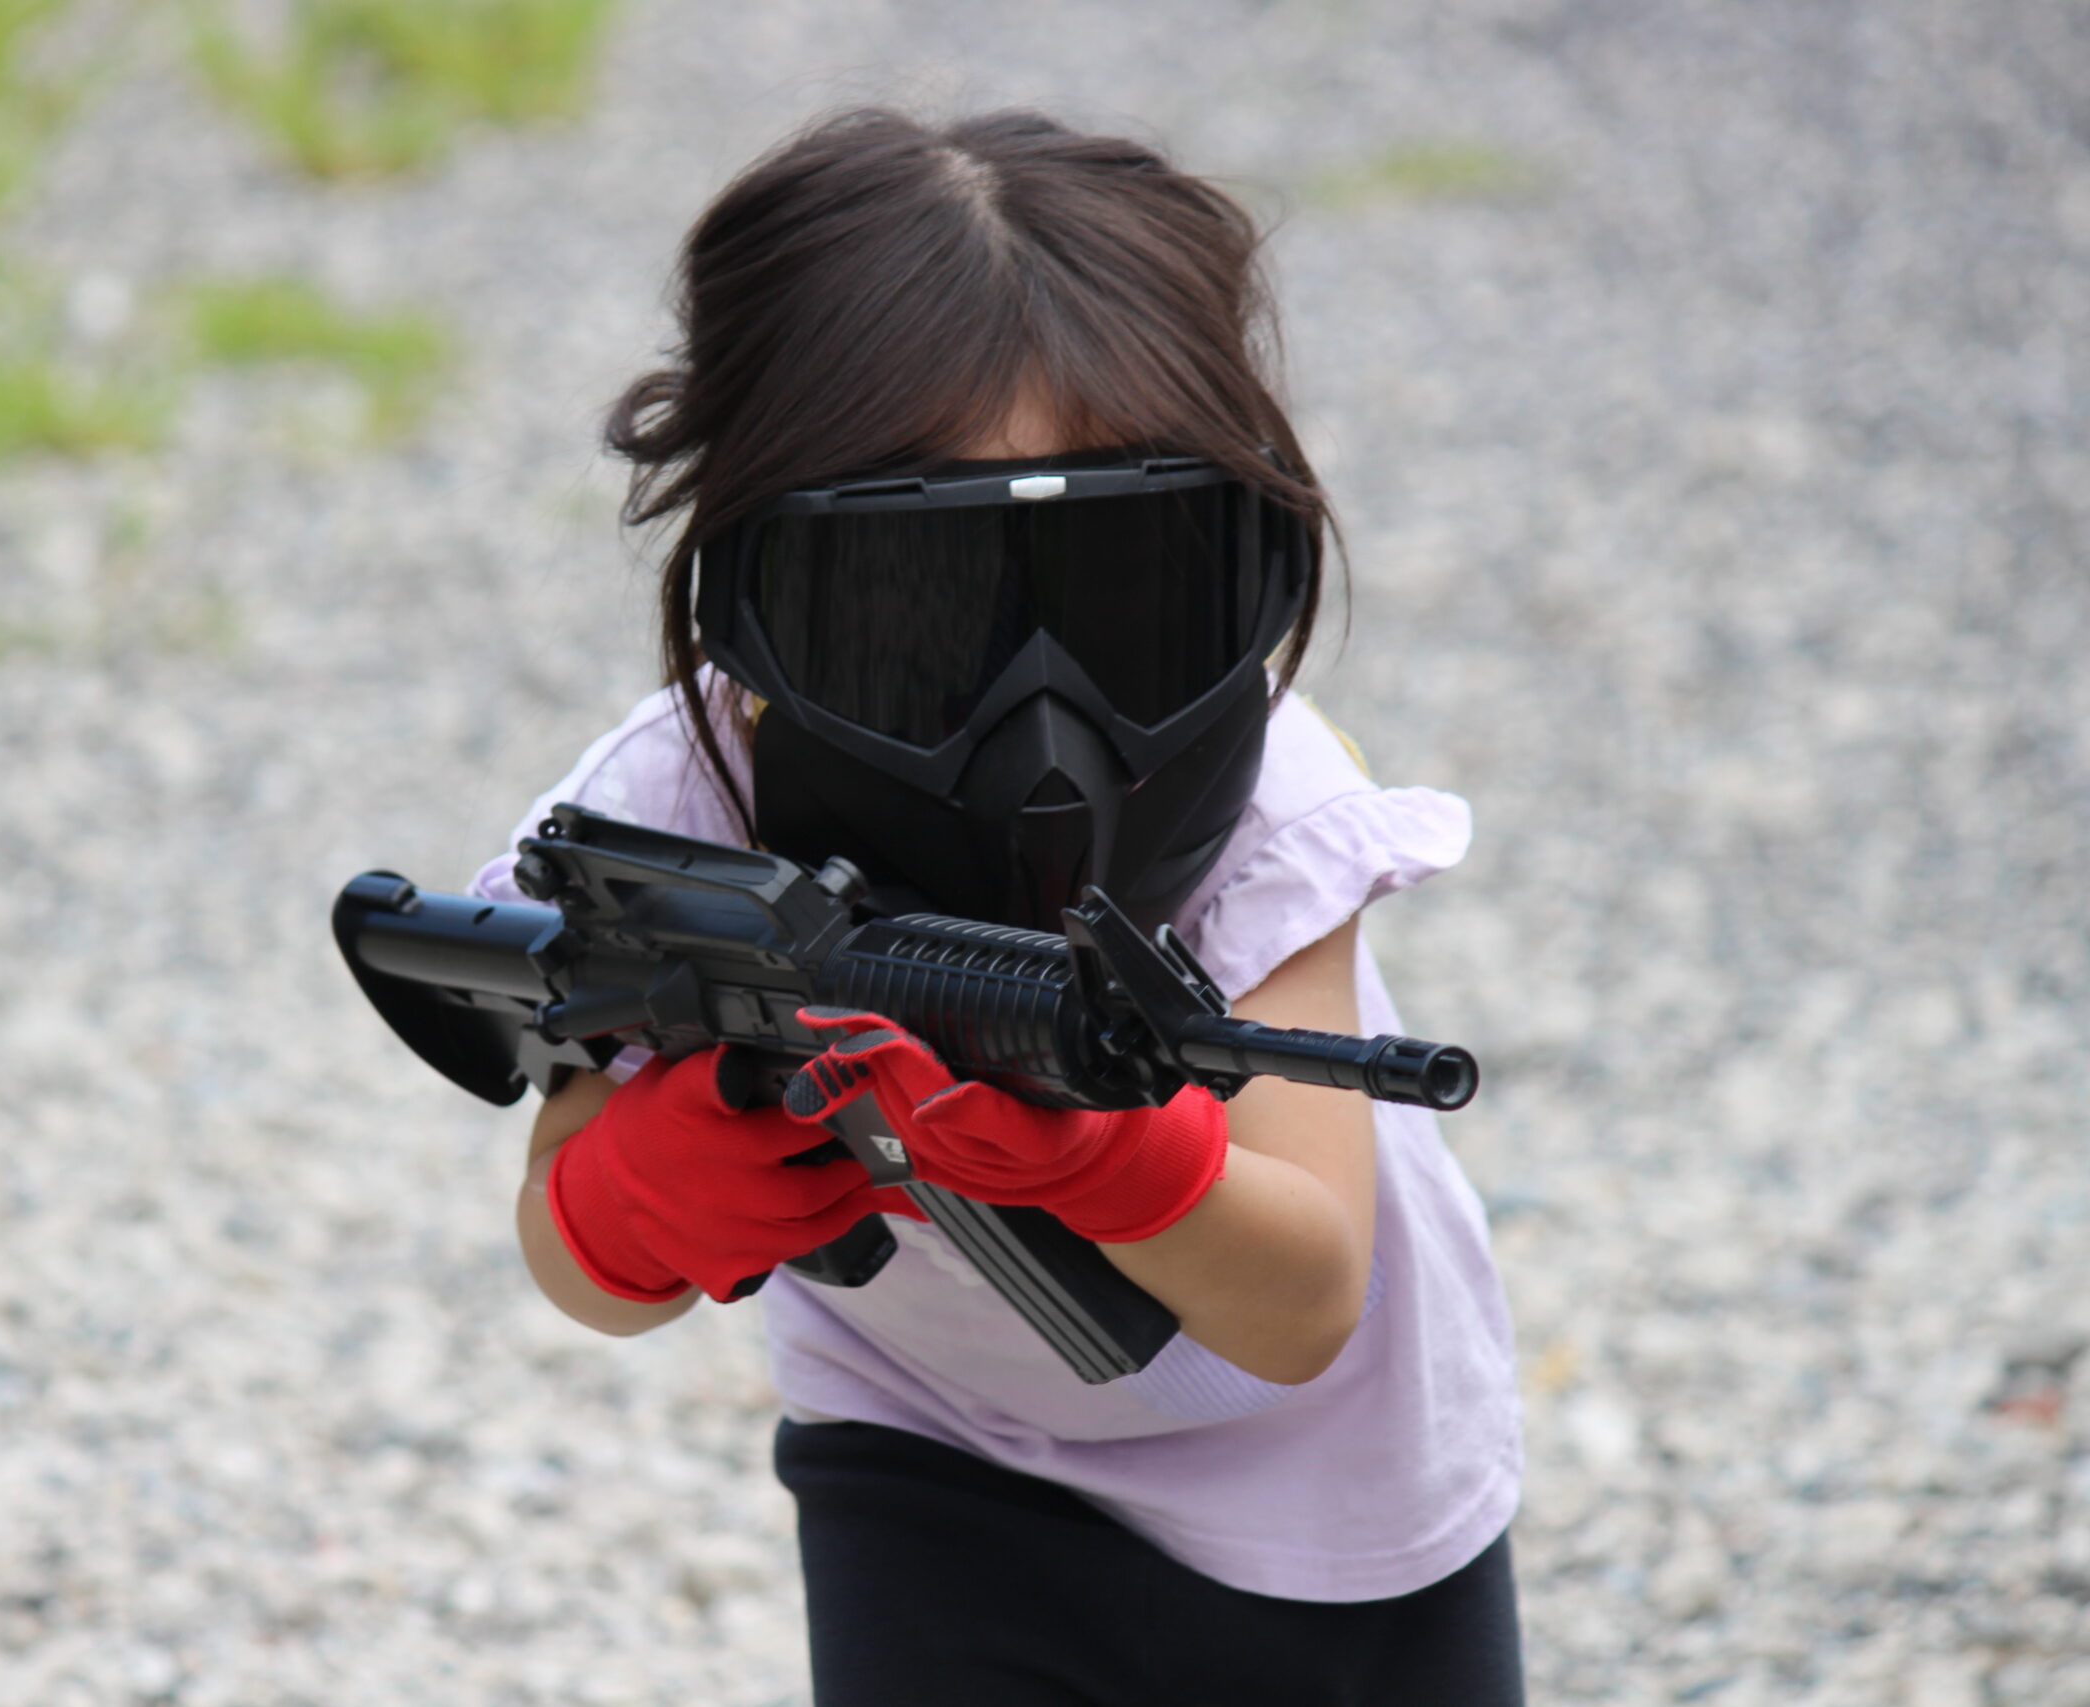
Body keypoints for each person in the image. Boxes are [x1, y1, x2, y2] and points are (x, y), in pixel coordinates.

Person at [469, 107, 1525, 1707]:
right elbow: (568, 1244)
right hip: (925, 1446)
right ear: (755, 593)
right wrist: (637, 1200)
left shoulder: (1265, 801)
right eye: (921, 608)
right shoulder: (679, 799)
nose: (1042, 719)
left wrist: (1114, 1162)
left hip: (1336, 1495)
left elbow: (1306, 1303)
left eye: (1128, 594)